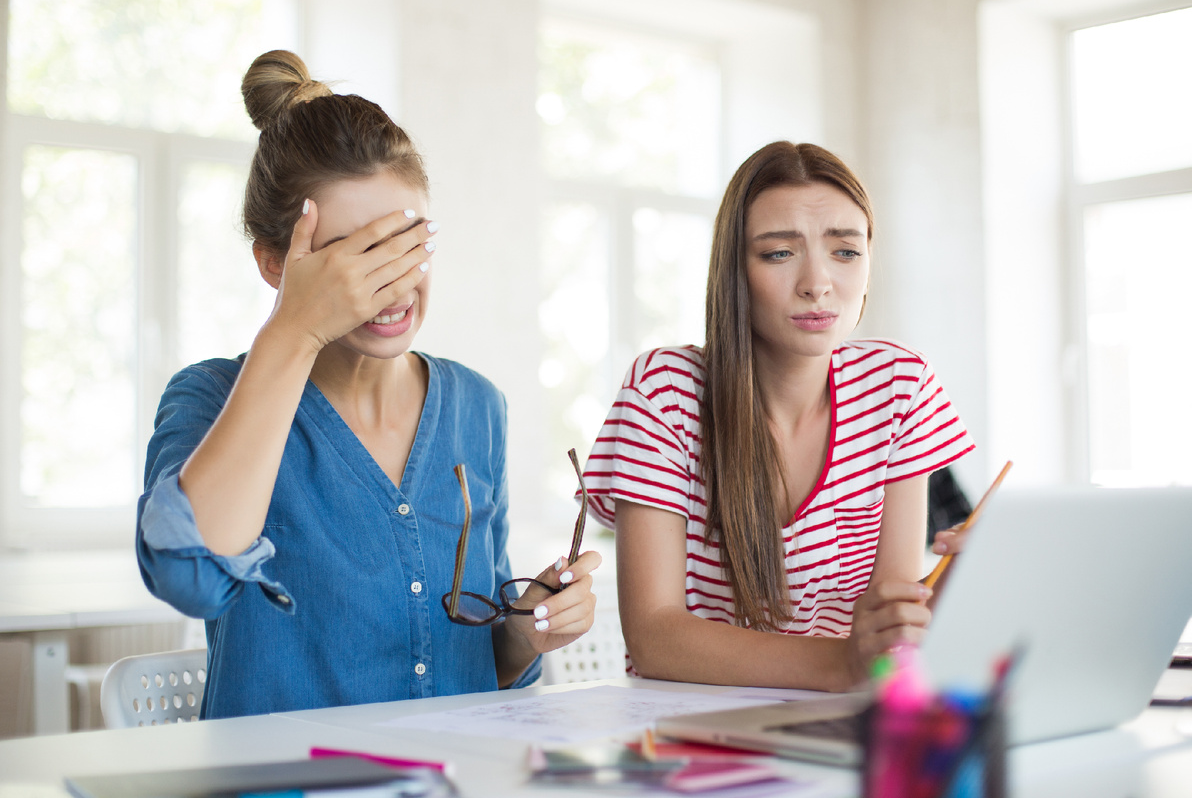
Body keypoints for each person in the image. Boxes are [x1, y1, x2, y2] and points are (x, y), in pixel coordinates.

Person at [136, 50, 600, 720]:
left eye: (409, 243)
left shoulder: (477, 407)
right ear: (275, 263)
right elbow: (190, 578)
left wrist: (527, 632)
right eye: (355, 254)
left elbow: (474, 668)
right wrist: (294, 331)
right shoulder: (206, 398)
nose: (394, 282)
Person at [583, 141, 973, 692]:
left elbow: (887, 623)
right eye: (778, 254)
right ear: (734, 272)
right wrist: (840, 664)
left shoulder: (898, 386)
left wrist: (955, 587)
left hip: (839, 722)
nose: (818, 283)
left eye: (845, 251)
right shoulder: (666, 392)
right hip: (691, 735)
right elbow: (654, 635)